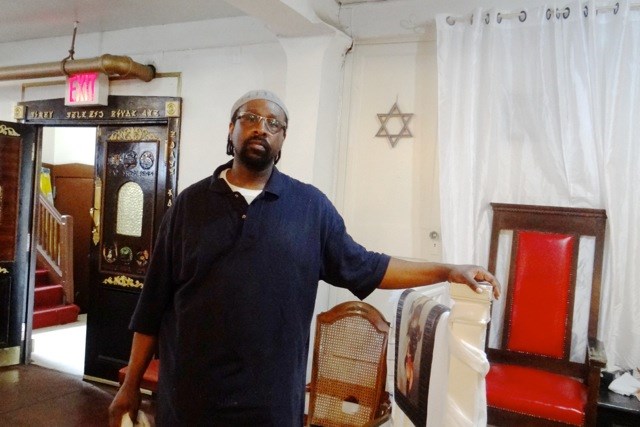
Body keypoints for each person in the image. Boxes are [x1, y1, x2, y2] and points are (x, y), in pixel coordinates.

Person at [108, 89, 500, 427]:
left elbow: (368, 266)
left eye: (274, 124)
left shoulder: (310, 209)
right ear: (231, 130)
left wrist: (447, 270)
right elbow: (153, 305)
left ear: (283, 140)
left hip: (271, 403)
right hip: (190, 399)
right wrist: (129, 385)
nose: (262, 127)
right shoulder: (189, 206)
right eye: (251, 118)